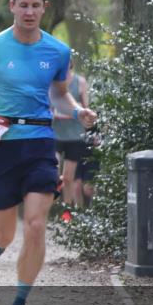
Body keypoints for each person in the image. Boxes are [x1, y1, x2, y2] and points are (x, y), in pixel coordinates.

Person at [0, 0, 97, 305]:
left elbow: (61, 92)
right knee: (4, 236)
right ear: (12, 6)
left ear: (44, 9)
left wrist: (77, 110)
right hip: (1, 142)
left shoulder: (58, 51)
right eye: (24, 5)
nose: (30, 11)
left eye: (36, 6)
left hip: (39, 141)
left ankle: (20, 303)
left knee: (36, 225)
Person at [51, 59, 89, 206]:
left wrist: (70, 112)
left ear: (70, 64)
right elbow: (49, 108)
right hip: (55, 134)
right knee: (52, 169)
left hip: (75, 136)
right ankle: (55, 187)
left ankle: (67, 212)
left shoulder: (80, 82)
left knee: (68, 178)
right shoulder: (52, 82)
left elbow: (85, 108)